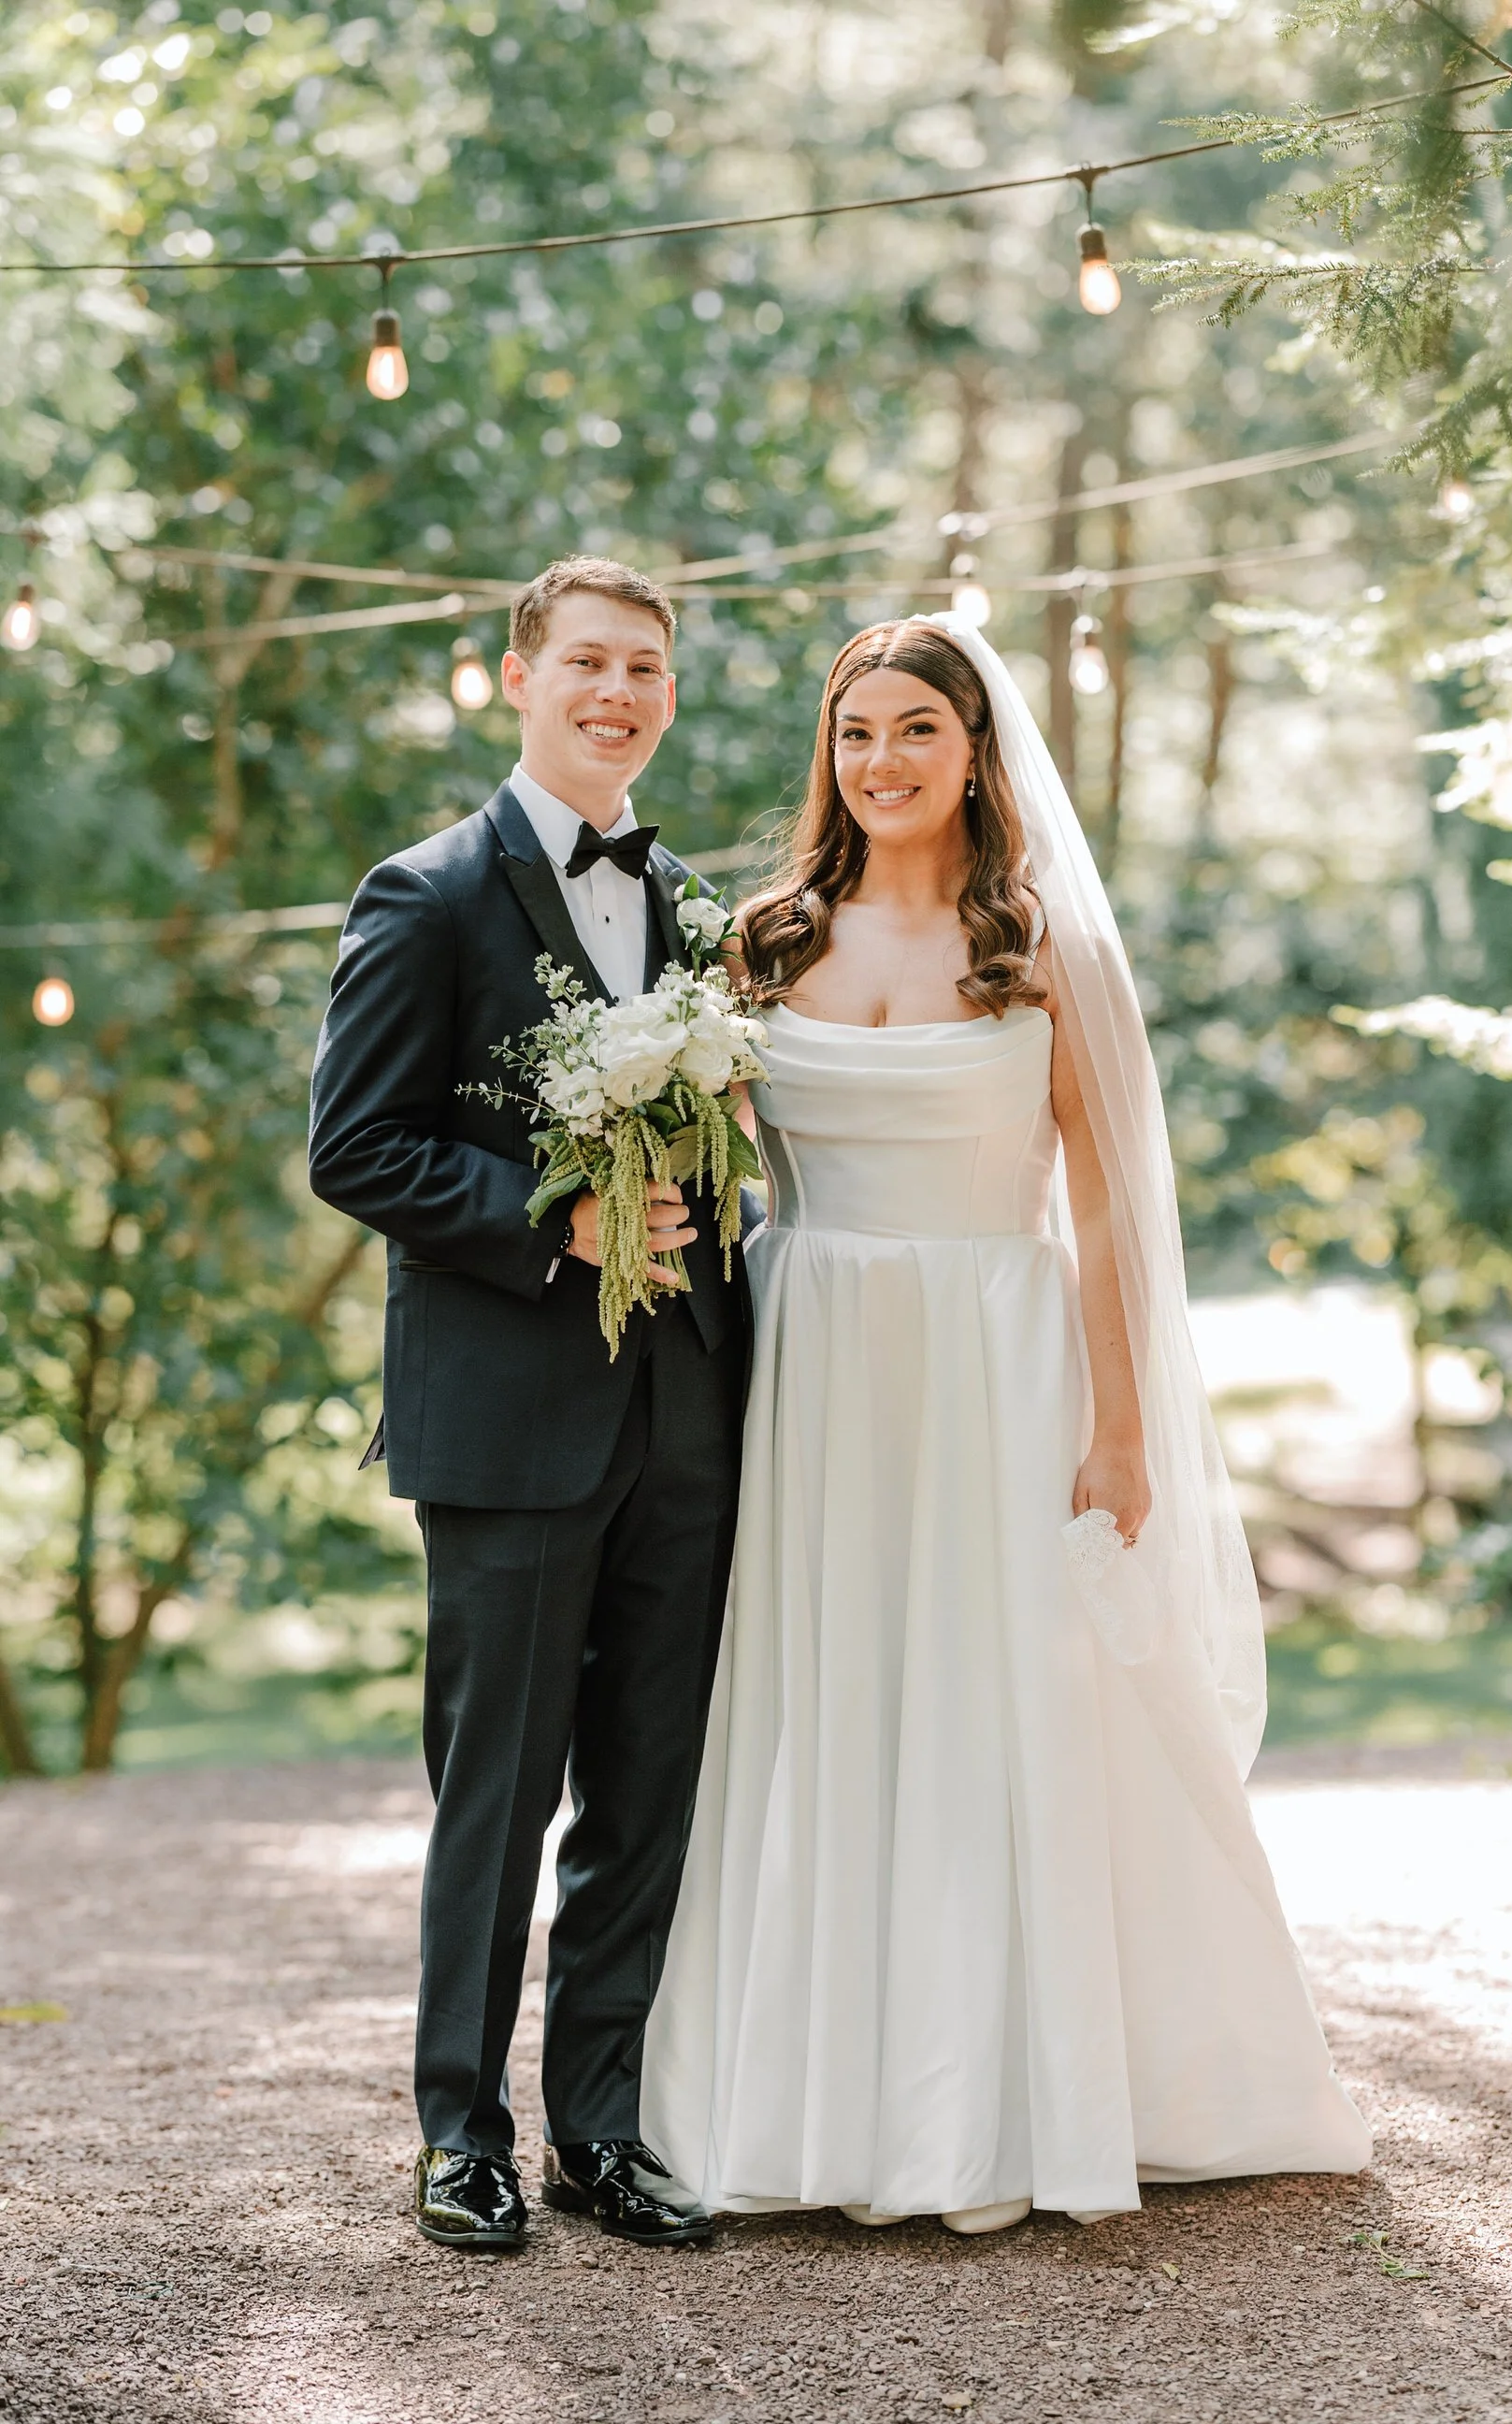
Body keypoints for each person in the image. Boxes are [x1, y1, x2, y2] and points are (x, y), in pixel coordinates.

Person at [640, 614, 1371, 2230]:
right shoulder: (760, 942)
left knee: (997, 1691)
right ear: (826, 757)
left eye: (916, 729)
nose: (882, 761)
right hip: (813, 1363)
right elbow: (697, 1160)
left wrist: (1119, 1429)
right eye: (855, 734)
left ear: (975, 749)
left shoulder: (1042, 947)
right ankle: (809, 2096)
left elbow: (1109, 1212)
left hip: (999, 1349)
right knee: (826, 1691)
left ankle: (1014, 2092)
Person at [309, 556, 749, 2251]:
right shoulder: (422, 895)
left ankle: (604, 2130)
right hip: (506, 1418)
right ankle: (459, 2133)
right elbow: (355, 1147)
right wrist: (551, 1214)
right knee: (494, 1792)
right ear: (519, 677)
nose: (614, 692)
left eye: (642, 667)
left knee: (649, 1785)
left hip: (690, 1411)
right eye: (585, 662)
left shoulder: (703, 912)